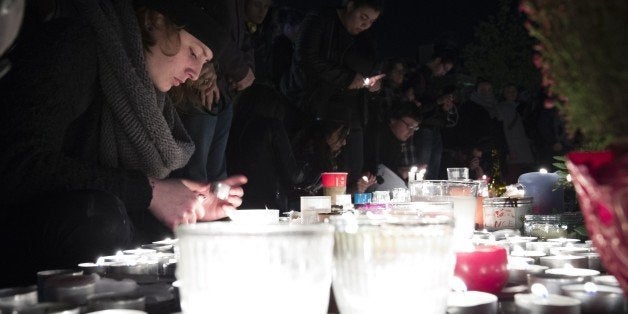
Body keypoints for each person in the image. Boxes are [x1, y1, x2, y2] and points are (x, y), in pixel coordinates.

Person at [0, 0, 246, 287]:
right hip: (18, 256)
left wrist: (188, 204)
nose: (195, 72)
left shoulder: (143, 90)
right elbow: (15, 163)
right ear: (154, 20)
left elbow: (122, 191)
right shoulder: (73, 47)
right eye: (193, 52)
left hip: (69, 243)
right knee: (98, 218)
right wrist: (151, 192)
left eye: (204, 63)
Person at [284, 0, 385, 190]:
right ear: (350, 5)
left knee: (352, 172)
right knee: (320, 169)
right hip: (317, 107)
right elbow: (306, 58)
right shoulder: (320, 20)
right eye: (363, 17)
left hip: (351, 111)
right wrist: (346, 78)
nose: (365, 25)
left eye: (371, 21)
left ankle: (349, 211)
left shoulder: (366, 38)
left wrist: (374, 83)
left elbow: (374, 65)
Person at [170, 0, 256, 183]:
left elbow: (241, 38)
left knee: (215, 168)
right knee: (196, 168)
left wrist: (247, 68)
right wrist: (235, 69)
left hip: (224, 88)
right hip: (203, 87)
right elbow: (207, 29)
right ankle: (192, 206)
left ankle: (216, 207)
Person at [227, 83, 302, 213]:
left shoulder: (232, 127)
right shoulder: (272, 126)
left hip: (236, 201)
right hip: (268, 204)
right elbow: (292, 174)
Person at [290, 119, 376, 209]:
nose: (344, 142)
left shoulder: (329, 158)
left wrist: (357, 188)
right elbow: (325, 198)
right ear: (328, 132)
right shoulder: (305, 156)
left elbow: (332, 197)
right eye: (340, 135)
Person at [409, 49, 458, 180]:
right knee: (422, 169)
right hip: (423, 127)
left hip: (435, 127)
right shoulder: (419, 78)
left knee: (433, 171)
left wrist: (444, 108)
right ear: (437, 61)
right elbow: (416, 107)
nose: (443, 73)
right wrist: (438, 101)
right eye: (444, 69)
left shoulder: (434, 80)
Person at [364, 101, 422, 182]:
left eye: (415, 129)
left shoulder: (397, 140)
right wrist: (402, 174)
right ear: (393, 119)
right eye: (410, 126)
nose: (411, 133)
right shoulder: (377, 136)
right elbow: (375, 172)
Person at [499, 84, 535, 183]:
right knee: (514, 176)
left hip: (522, 146)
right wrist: (510, 150)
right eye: (508, 91)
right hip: (514, 148)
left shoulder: (519, 106)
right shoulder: (503, 108)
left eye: (514, 91)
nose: (512, 94)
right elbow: (506, 130)